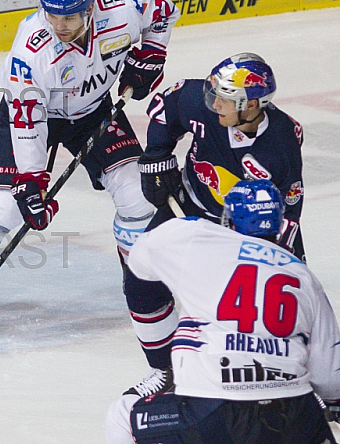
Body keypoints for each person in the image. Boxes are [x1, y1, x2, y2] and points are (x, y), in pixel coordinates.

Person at [0, 0, 180, 333]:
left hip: (93, 112)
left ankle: (141, 285)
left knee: (137, 196)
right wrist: (31, 181)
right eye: (52, 15)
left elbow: (164, 10)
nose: (59, 25)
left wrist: (153, 54)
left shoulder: (124, 9)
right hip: (33, 114)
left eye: (69, 16)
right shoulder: (30, 53)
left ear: (91, 7)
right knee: (6, 206)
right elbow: (28, 120)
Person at [124, 53, 306, 396]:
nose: (214, 103)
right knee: (140, 282)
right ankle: (166, 371)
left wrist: (275, 252)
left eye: (225, 98)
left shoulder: (281, 142)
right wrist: (156, 156)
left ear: (251, 104)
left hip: (248, 230)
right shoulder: (201, 102)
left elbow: (290, 208)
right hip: (190, 207)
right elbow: (169, 106)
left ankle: (297, 377)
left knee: (282, 303)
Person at [105, 180, 340, 444]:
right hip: (293, 414)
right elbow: (331, 380)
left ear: (228, 218)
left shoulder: (196, 240)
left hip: (212, 410)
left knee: (121, 415)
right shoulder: (303, 275)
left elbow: (140, 258)